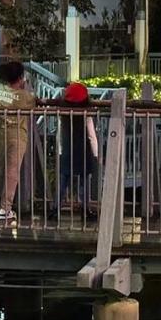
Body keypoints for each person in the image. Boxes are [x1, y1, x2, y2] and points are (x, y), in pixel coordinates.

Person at [0, 61, 35, 226]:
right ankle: (5, 209)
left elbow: (3, 94)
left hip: (0, 134)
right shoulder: (25, 97)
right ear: (20, 78)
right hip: (18, 136)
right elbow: (33, 99)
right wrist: (25, 87)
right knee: (12, 172)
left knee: (0, 170)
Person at [58, 82, 100, 219]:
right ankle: (85, 209)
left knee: (63, 180)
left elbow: (59, 133)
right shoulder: (86, 113)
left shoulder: (63, 114)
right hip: (83, 151)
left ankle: (54, 208)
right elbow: (91, 135)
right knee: (84, 182)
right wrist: (96, 153)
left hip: (67, 150)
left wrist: (60, 149)